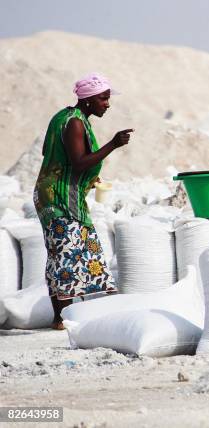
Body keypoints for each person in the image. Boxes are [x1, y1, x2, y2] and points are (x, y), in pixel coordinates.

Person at [33, 73, 133, 330]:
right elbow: (77, 163)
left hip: (55, 193)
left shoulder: (65, 117)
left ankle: (62, 317)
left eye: (108, 98)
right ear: (88, 100)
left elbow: (54, 153)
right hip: (59, 197)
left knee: (62, 252)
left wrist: (92, 176)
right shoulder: (75, 123)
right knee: (69, 252)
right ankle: (64, 318)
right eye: (103, 98)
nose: (107, 104)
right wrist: (113, 144)